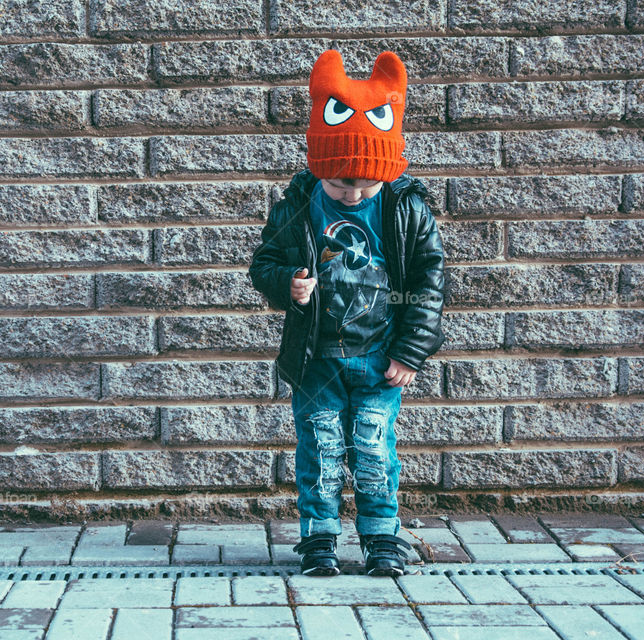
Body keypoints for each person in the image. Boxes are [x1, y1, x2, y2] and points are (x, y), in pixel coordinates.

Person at [248, 49, 446, 577]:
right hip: (317, 358)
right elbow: (263, 263)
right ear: (320, 169)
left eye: (366, 184)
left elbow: (430, 283)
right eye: (340, 185)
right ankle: (319, 538)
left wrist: (411, 350)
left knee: (373, 448)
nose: (353, 193)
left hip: (382, 358)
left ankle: (382, 536)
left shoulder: (405, 210)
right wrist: (286, 286)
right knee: (321, 447)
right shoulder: (298, 206)